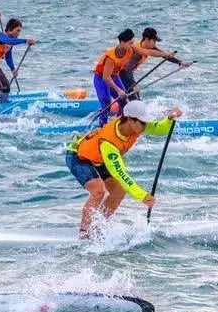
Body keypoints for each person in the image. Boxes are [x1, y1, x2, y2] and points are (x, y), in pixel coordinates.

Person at [65, 100, 183, 238]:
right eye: (142, 122)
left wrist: (169, 118)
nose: (145, 125)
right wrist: (142, 196)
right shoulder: (108, 143)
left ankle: (97, 227)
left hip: (99, 159)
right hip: (79, 157)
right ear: (130, 121)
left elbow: (159, 129)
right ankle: (84, 233)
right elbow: (121, 174)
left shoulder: (136, 126)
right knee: (98, 191)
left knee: (119, 191)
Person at [120, 27, 192, 102]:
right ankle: (131, 111)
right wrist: (133, 85)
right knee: (133, 96)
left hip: (126, 73)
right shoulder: (138, 54)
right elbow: (127, 68)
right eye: (154, 41)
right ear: (147, 39)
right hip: (122, 73)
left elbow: (163, 55)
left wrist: (180, 62)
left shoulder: (148, 47)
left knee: (135, 95)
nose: (155, 43)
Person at [92, 29, 138, 122]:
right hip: (101, 78)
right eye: (130, 43)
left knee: (123, 100)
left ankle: (119, 121)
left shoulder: (130, 50)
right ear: (122, 42)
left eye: (132, 43)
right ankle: (102, 124)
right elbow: (106, 77)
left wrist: (166, 55)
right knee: (106, 103)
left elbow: (146, 52)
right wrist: (118, 90)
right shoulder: (111, 57)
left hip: (114, 76)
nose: (132, 45)